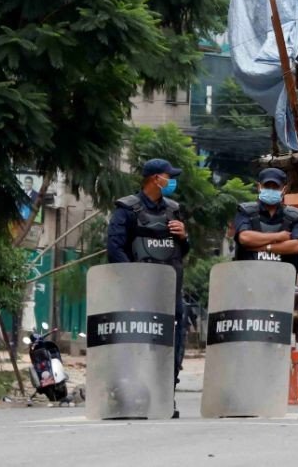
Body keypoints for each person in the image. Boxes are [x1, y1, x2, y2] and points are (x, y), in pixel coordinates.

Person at [106, 158, 188, 418]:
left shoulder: (174, 210)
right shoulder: (127, 209)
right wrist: (135, 278)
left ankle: (166, 395)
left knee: (171, 343)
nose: (172, 181)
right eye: (169, 176)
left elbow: (182, 251)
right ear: (156, 179)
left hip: (168, 291)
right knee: (136, 344)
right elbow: (115, 249)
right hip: (137, 293)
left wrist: (184, 236)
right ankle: (129, 395)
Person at [233, 168, 298, 271]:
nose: (271, 190)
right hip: (248, 280)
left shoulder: (293, 216)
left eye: (275, 187)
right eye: (267, 186)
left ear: (284, 190)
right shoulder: (246, 211)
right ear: (259, 187)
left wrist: (263, 247)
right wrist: (279, 236)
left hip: (282, 281)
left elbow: (297, 246)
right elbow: (245, 238)